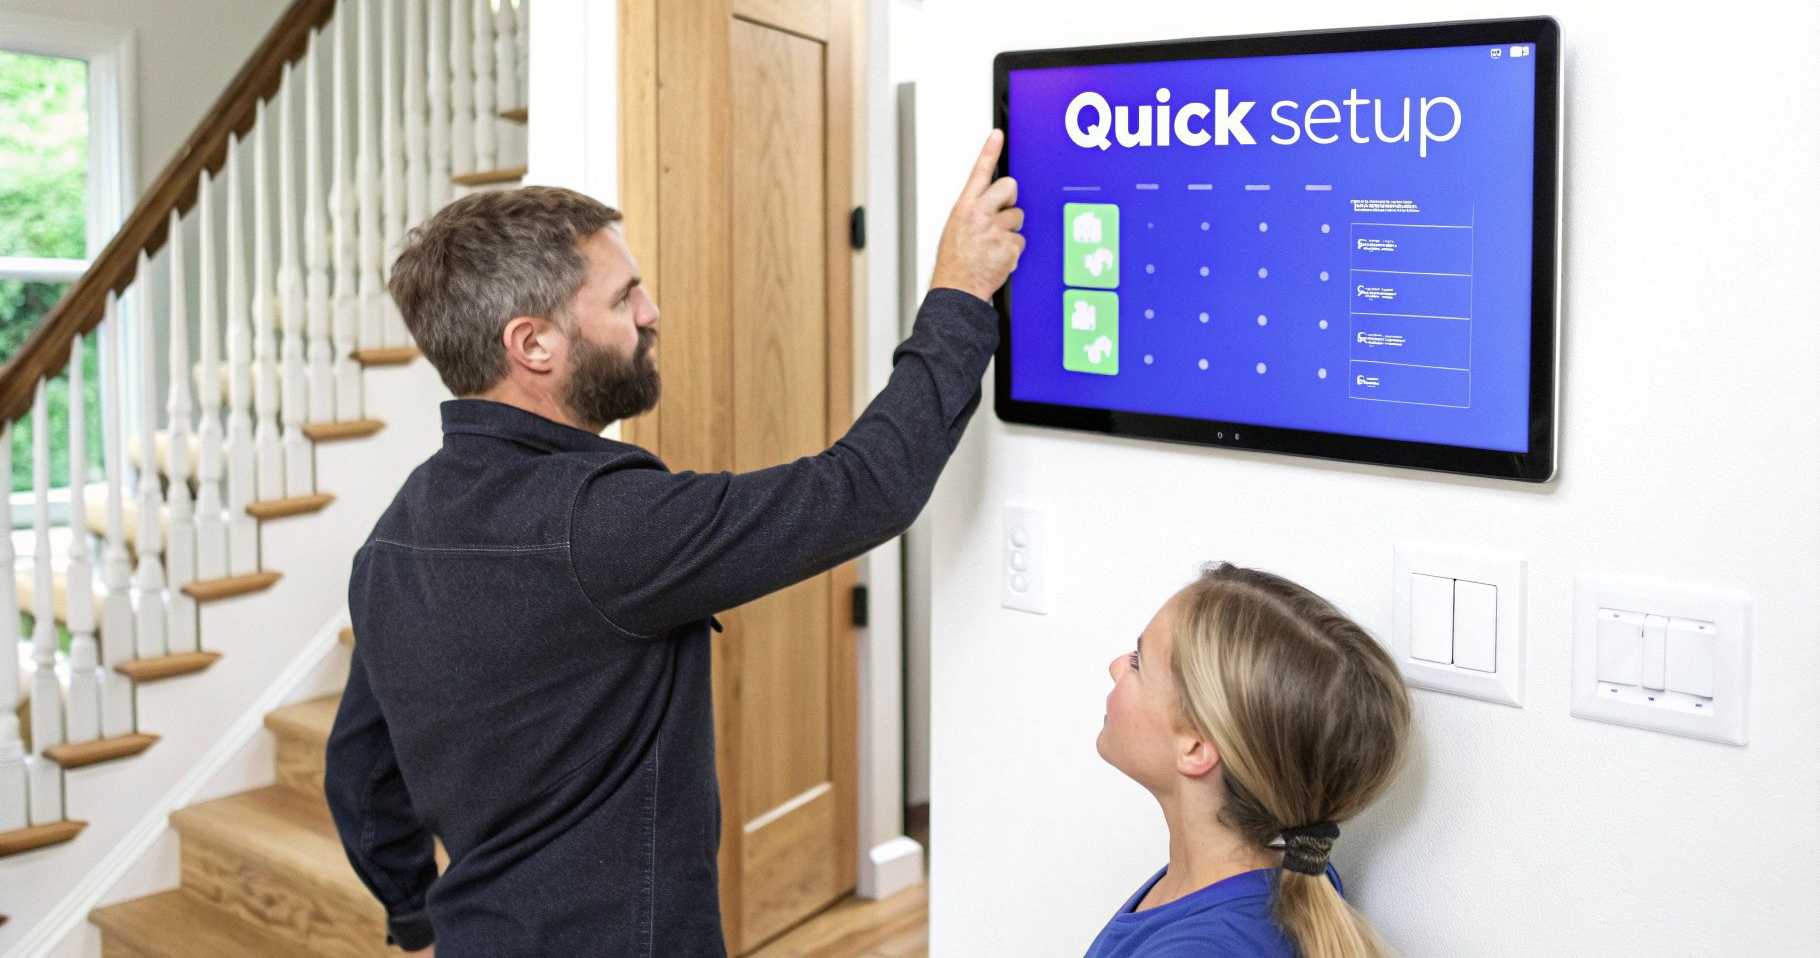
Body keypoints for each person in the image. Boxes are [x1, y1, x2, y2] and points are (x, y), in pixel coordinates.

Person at [324, 132, 1023, 957]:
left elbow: (362, 771)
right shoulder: (603, 527)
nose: (651, 313)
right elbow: (862, 489)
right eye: (624, 299)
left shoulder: (396, 535)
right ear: (533, 344)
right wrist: (960, 293)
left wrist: (412, 916)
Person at [1087, 563, 1412, 958]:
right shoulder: (1295, 879)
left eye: (1138, 662)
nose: (1116, 665)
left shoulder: (1203, 947)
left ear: (1195, 747)